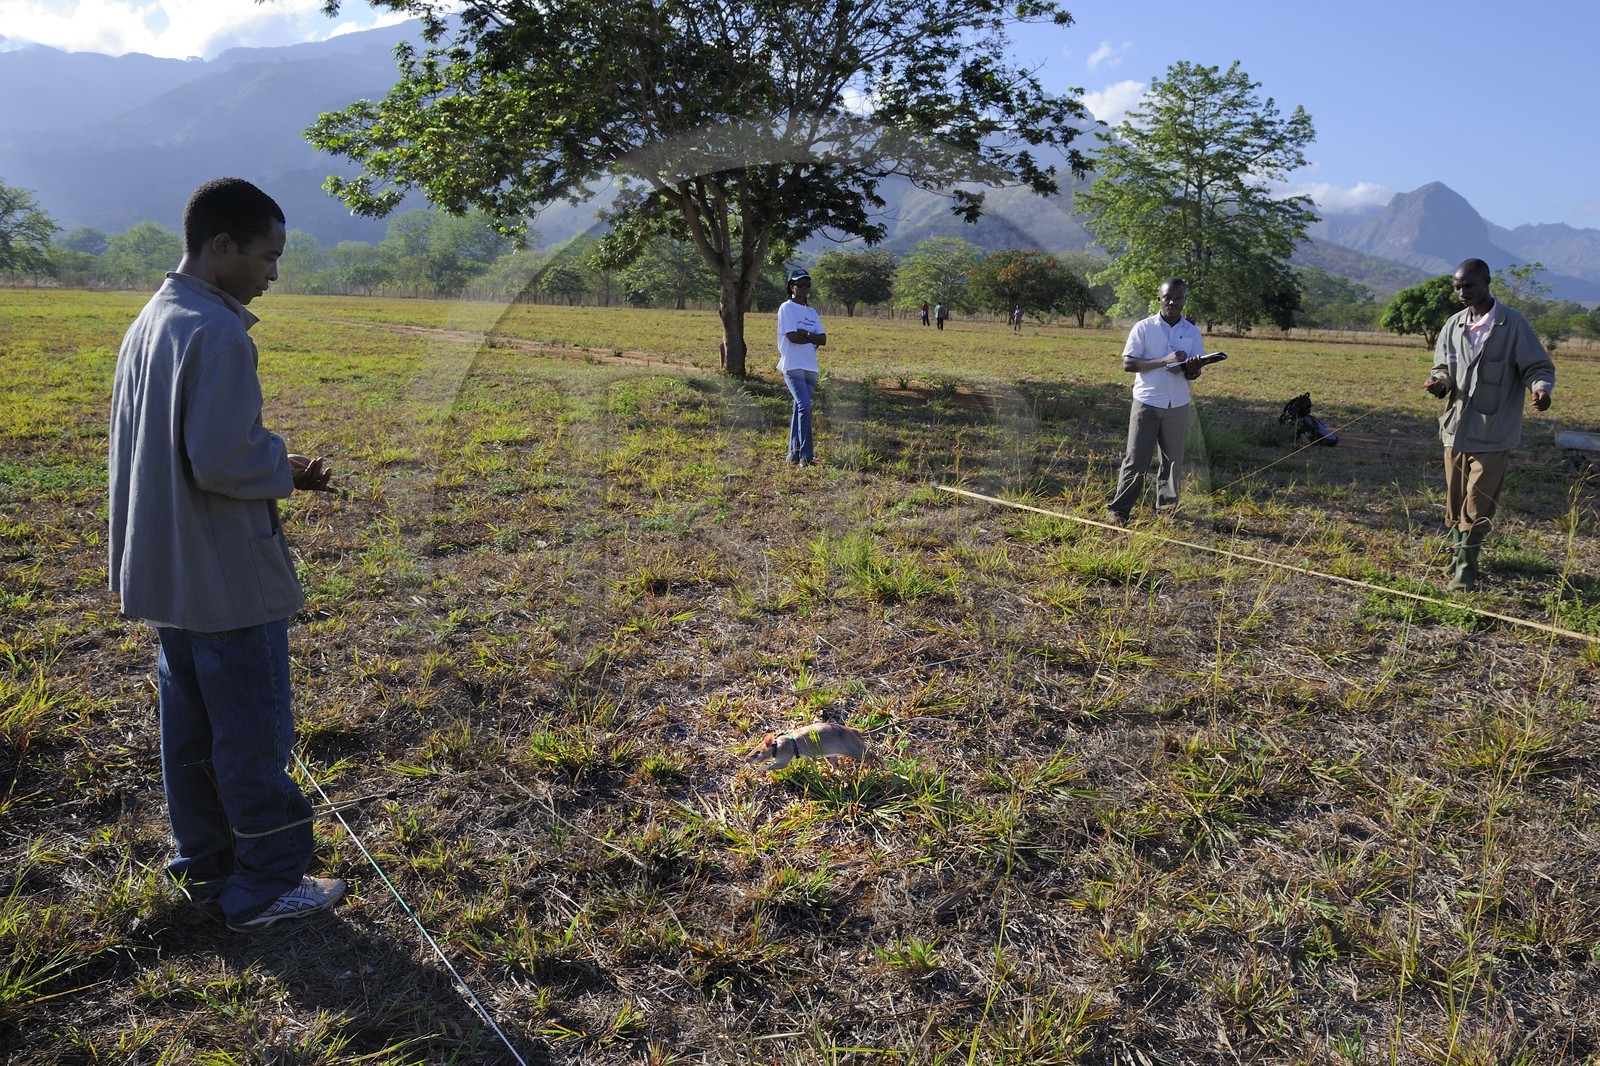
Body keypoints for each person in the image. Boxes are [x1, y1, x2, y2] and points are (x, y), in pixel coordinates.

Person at [107, 177, 346, 932]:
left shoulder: (155, 318)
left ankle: (204, 862)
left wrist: (271, 456)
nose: (272, 273)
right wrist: (285, 468)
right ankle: (269, 885)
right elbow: (220, 461)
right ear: (222, 246)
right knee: (252, 735)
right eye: (267, 256)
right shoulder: (217, 333)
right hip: (224, 576)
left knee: (191, 732)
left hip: (169, 570)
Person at [1424, 257, 1554, 591]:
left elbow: (1537, 367)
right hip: (1455, 428)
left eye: (1469, 285)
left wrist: (1541, 389)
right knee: (1454, 500)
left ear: (1487, 282)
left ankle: (1466, 571)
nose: (1462, 292)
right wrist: (1439, 383)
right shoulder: (1453, 325)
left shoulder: (1512, 325)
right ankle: (1455, 557)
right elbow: (1443, 367)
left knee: (1478, 501)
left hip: (1494, 431)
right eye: (1457, 286)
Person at [1106, 277, 1204, 523]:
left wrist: (1193, 367)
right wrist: (1164, 361)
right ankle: (1119, 510)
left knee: (1173, 461)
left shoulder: (1191, 332)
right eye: (1167, 297)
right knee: (1136, 459)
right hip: (1147, 402)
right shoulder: (1144, 327)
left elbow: (1193, 373)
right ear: (1159, 298)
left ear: (1184, 300)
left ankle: (1167, 511)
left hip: (1178, 403)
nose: (1172, 302)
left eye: (1178, 297)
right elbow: (1128, 363)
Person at [777, 269, 826, 465]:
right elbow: (791, 336)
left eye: (807, 285)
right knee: (805, 407)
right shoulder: (786, 308)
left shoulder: (811, 312)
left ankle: (793, 455)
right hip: (793, 365)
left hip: (810, 367)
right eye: (800, 284)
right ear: (791, 287)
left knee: (799, 408)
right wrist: (809, 337)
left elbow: (822, 339)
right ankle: (807, 456)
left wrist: (804, 333)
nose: (804, 288)